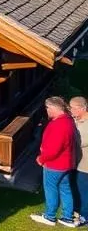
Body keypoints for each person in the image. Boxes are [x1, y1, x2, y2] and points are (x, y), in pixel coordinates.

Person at [33, 96, 77, 226]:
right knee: (65, 189)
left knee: (51, 188)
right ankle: (67, 218)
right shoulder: (68, 120)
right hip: (66, 163)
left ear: (53, 108)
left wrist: (41, 158)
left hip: (55, 164)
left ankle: (50, 216)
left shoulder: (59, 125)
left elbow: (54, 149)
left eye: (47, 108)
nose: (46, 110)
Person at [72, 96, 88, 225]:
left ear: (82, 108)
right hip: (78, 163)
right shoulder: (79, 120)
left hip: (85, 165)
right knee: (77, 188)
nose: (71, 110)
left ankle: (85, 217)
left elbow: (81, 142)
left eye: (73, 108)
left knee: (83, 190)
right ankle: (78, 211)